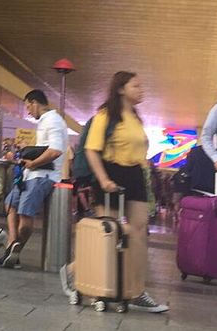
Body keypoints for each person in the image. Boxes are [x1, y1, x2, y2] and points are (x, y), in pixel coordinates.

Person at [60, 72, 168, 313]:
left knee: (139, 232)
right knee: (109, 234)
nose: (141, 90)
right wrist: (103, 179)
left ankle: (136, 290)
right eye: (135, 85)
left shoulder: (135, 118)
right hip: (110, 172)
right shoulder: (105, 115)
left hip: (135, 174)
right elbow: (91, 150)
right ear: (121, 89)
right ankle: (76, 272)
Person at [0, 90, 66, 267]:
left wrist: (33, 163)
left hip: (42, 176)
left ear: (34, 103)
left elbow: (55, 151)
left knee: (25, 216)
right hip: (29, 175)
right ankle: (13, 244)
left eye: (28, 107)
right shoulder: (45, 121)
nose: (29, 112)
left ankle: (14, 250)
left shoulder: (53, 120)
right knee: (10, 204)